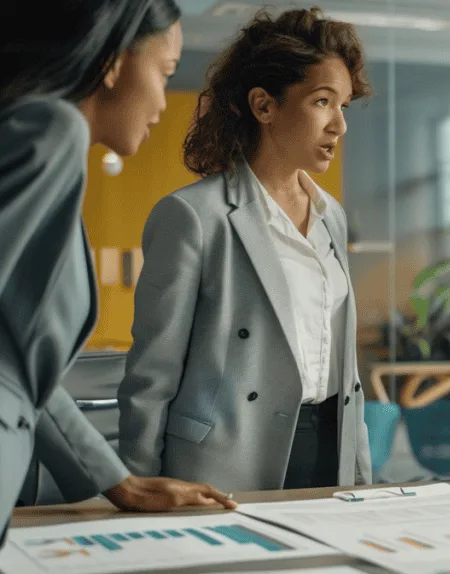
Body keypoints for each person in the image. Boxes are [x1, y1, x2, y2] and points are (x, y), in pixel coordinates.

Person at [0, 0, 236, 544]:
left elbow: (17, 366)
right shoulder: (51, 130)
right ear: (110, 61)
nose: (163, 102)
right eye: (165, 73)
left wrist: (117, 482)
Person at [118, 7, 373, 492]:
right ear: (264, 105)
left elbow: (347, 370)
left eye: (344, 105)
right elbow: (152, 376)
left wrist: (361, 477)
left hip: (328, 452)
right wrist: (134, 489)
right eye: (323, 101)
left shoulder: (331, 216)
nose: (339, 125)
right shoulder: (193, 217)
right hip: (226, 460)